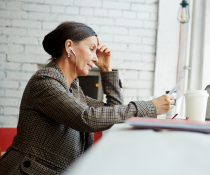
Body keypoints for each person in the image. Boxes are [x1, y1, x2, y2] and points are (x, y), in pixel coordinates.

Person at [0, 21, 174, 174]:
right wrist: (149, 106)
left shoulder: (73, 89)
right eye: (91, 49)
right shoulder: (45, 82)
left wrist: (106, 69)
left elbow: (111, 112)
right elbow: (87, 118)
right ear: (69, 47)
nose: (95, 57)